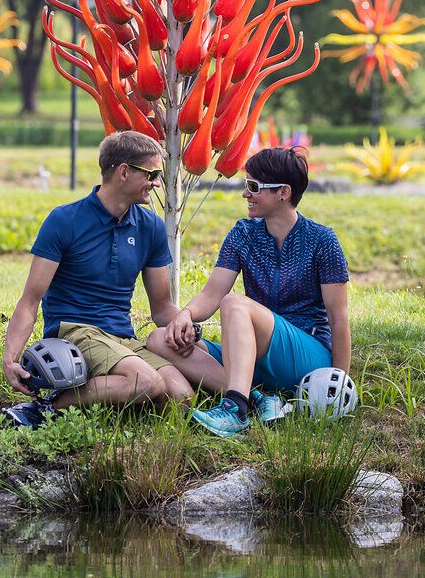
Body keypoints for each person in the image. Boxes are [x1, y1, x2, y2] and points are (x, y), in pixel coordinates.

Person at [147, 147, 350, 437]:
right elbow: (211, 294)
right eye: (246, 185)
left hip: (306, 356)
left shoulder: (322, 240)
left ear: (283, 192)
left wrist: (339, 383)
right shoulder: (243, 233)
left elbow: (338, 319)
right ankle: (259, 397)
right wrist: (186, 315)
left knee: (236, 304)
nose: (246, 194)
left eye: (254, 187)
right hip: (253, 353)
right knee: (159, 339)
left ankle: (234, 409)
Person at [0, 130, 194, 427]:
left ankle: (109, 416)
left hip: (122, 337)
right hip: (75, 331)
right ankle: (45, 409)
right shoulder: (65, 220)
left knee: (180, 397)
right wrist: (10, 359)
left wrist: (185, 323)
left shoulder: (150, 227)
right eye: (152, 173)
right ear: (124, 172)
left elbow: (162, 309)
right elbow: (30, 300)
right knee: (146, 382)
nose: (157, 183)